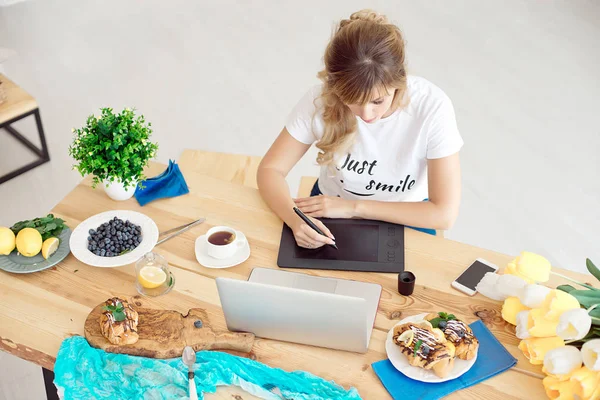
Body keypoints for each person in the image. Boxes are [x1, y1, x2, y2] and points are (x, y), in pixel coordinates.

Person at [257, 9, 463, 249]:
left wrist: (353, 208)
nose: (366, 115)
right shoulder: (321, 100)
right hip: (330, 210)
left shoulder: (432, 107)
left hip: (406, 216)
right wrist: (295, 220)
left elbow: (444, 214)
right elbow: (270, 169)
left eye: (378, 101)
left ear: (399, 83)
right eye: (353, 100)